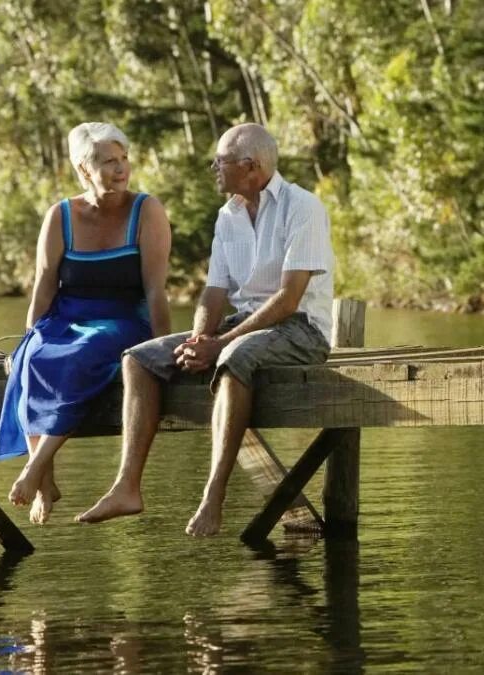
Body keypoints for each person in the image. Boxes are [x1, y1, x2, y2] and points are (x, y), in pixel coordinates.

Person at [76, 123, 333, 536]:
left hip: (301, 328)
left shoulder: (302, 208)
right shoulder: (228, 216)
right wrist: (199, 339)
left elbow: (288, 299)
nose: (214, 167)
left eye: (221, 161)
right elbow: (213, 293)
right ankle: (127, 486)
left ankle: (213, 497)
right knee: (138, 359)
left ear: (250, 167)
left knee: (234, 358)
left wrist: (221, 345)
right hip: (245, 326)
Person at [0, 122, 172, 524]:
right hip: (67, 315)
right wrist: (30, 335)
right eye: (109, 161)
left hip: (123, 320)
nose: (121, 168)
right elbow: (44, 286)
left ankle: (34, 467)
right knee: (31, 357)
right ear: (83, 169)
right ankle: (46, 480)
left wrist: (165, 350)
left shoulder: (147, 211)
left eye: (124, 158)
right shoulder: (60, 216)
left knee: (80, 355)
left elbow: (155, 290)